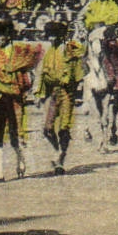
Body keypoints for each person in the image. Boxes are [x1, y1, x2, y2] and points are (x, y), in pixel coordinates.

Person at [0, 19, 41, 183]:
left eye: (1, 35)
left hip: (15, 97)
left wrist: (27, 89)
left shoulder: (18, 52)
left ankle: (22, 164)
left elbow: (31, 73)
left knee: (17, 133)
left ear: (8, 36)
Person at [36, 19, 86, 175]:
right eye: (49, 36)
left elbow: (78, 65)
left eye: (54, 35)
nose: (51, 39)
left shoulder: (70, 48)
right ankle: (57, 150)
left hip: (66, 92)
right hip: (52, 93)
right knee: (47, 129)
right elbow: (43, 74)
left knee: (64, 128)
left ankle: (61, 159)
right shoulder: (48, 52)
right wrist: (39, 93)